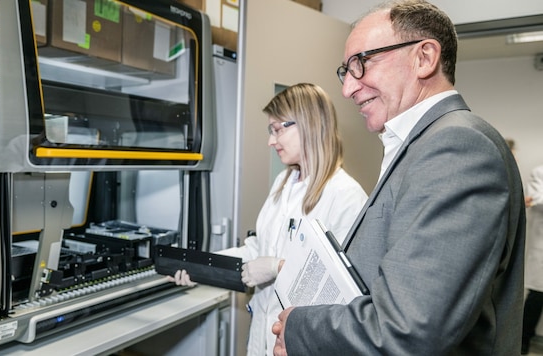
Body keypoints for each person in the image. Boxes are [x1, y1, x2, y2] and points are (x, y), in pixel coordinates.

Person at [271, 1, 526, 355]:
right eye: (346, 71)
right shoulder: (419, 144)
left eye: (362, 63)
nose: (348, 89)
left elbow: (409, 327)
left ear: (424, 57)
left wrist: (300, 327)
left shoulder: (458, 146)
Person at [169, 83, 368, 355]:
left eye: (277, 129)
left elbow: (345, 291)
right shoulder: (284, 182)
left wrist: (278, 267)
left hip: (306, 344)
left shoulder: (346, 196)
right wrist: (201, 268)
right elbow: (258, 250)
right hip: (264, 336)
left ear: (308, 124)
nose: (271, 141)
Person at [522, 165, 543, 354]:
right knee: (537, 298)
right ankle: (523, 342)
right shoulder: (539, 172)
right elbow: (536, 199)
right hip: (541, 247)